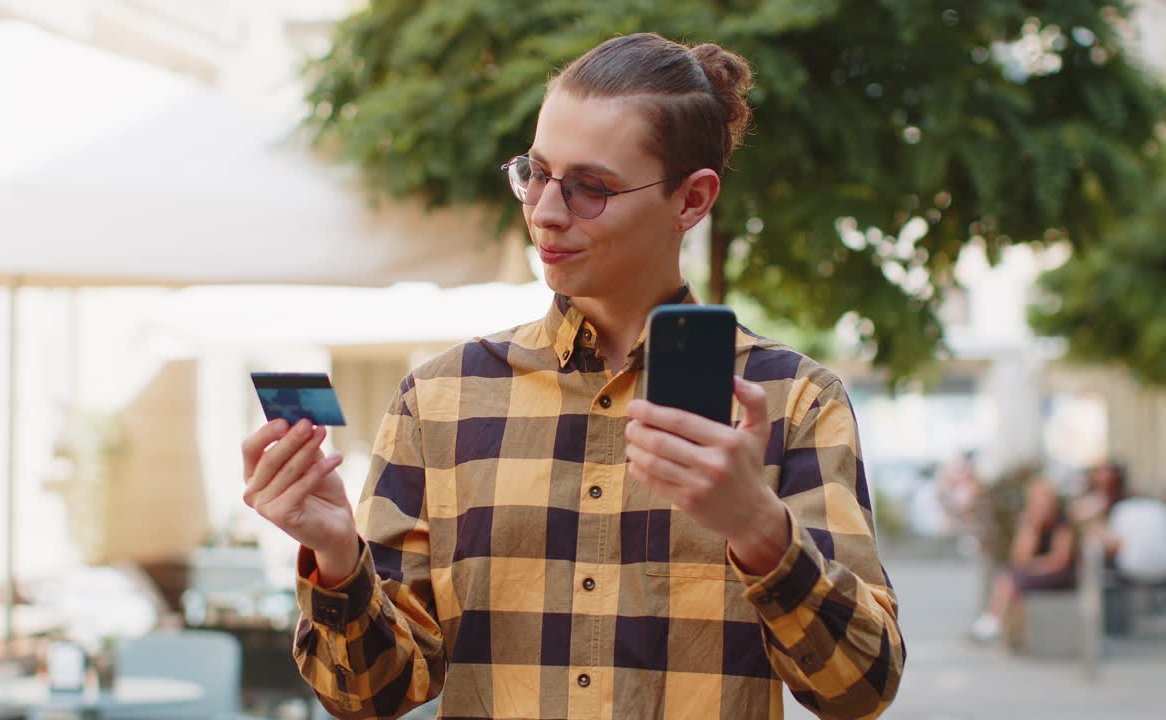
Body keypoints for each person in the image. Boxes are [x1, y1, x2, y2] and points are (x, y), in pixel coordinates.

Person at [242, 33, 904, 719]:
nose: (546, 212)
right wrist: (337, 557)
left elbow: (860, 689)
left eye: (591, 187)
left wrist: (761, 532)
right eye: (536, 172)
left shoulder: (793, 402)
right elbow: (365, 694)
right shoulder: (440, 400)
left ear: (693, 199)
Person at [969, 478, 1077, 643]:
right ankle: (996, 622)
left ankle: (993, 620)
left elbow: (1059, 561)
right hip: (1034, 573)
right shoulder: (1030, 522)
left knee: (1011, 579)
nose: (1042, 504)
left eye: (1045, 499)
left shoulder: (1062, 524)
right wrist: (1031, 527)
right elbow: (1019, 557)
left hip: (1060, 576)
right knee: (1008, 576)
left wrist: (1032, 566)